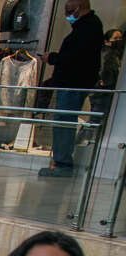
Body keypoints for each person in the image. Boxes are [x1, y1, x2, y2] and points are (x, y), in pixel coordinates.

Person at [39, 0, 104, 178]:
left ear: (79, 8)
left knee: (64, 121)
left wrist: (52, 58)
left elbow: (75, 59)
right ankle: (61, 161)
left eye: (69, 11)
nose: (67, 15)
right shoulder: (87, 26)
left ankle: (63, 163)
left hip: (73, 84)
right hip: (72, 83)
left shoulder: (88, 28)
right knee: (64, 121)